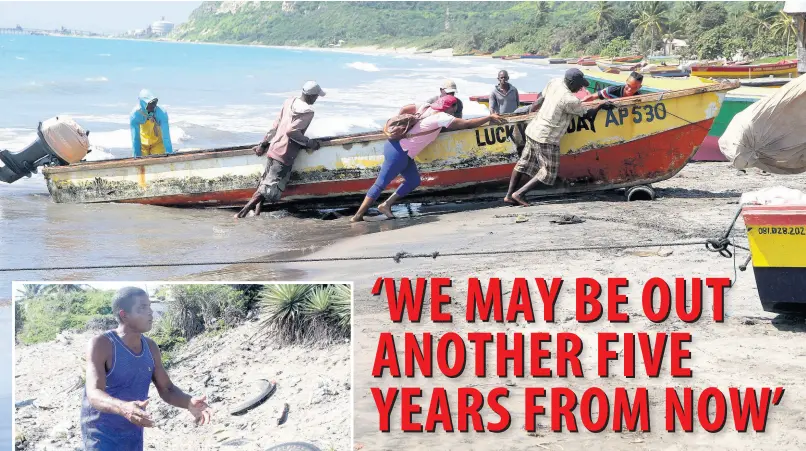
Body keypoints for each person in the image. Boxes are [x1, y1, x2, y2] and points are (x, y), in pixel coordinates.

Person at [81, 287, 212, 451]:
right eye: (142, 308)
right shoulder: (102, 344)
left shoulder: (150, 347)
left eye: (149, 306)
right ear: (124, 315)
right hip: (100, 435)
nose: (150, 312)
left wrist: (188, 402)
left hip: (133, 430)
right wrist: (123, 407)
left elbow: (167, 389)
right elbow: (93, 393)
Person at [350, 95, 504, 222]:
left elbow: (405, 108)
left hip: (399, 148)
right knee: (381, 183)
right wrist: (488, 117)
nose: (454, 113)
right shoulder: (441, 117)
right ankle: (358, 215)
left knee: (413, 181)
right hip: (399, 152)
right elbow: (466, 124)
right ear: (449, 108)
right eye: (454, 109)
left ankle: (385, 205)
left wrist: (401, 125)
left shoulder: (424, 107)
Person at [504, 68, 615, 207]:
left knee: (523, 163)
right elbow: (588, 115)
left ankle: (509, 195)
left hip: (533, 129)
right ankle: (519, 194)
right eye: (579, 85)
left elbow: (540, 99)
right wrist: (601, 105)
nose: (581, 88)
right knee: (548, 172)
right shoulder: (569, 99)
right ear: (571, 82)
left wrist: (530, 109)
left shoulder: (554, 82)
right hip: (547, 137)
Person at [235, 81, 325, 218]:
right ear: (312, 96)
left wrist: (264, 143)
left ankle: (257, 213)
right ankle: (242, 213)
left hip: (274, 147)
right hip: (285, 153)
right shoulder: (308, 111)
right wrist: (310, 143)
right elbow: (292, 132)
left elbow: (275, 125)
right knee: (268, 188)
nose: (317, 99)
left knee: (264, 184)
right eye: (317, 96)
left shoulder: (289, 102)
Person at [130, 89, 173, 157]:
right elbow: (135, 138)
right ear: (143, 103)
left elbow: (166, 136)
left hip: (157, 142)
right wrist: (136, 156)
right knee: (142, 162)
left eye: (154, 103)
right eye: (150, 104)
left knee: (159, 163)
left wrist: (170, 154)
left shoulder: (161, 112)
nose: (153, 106)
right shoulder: (135, 114)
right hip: (143, 143)